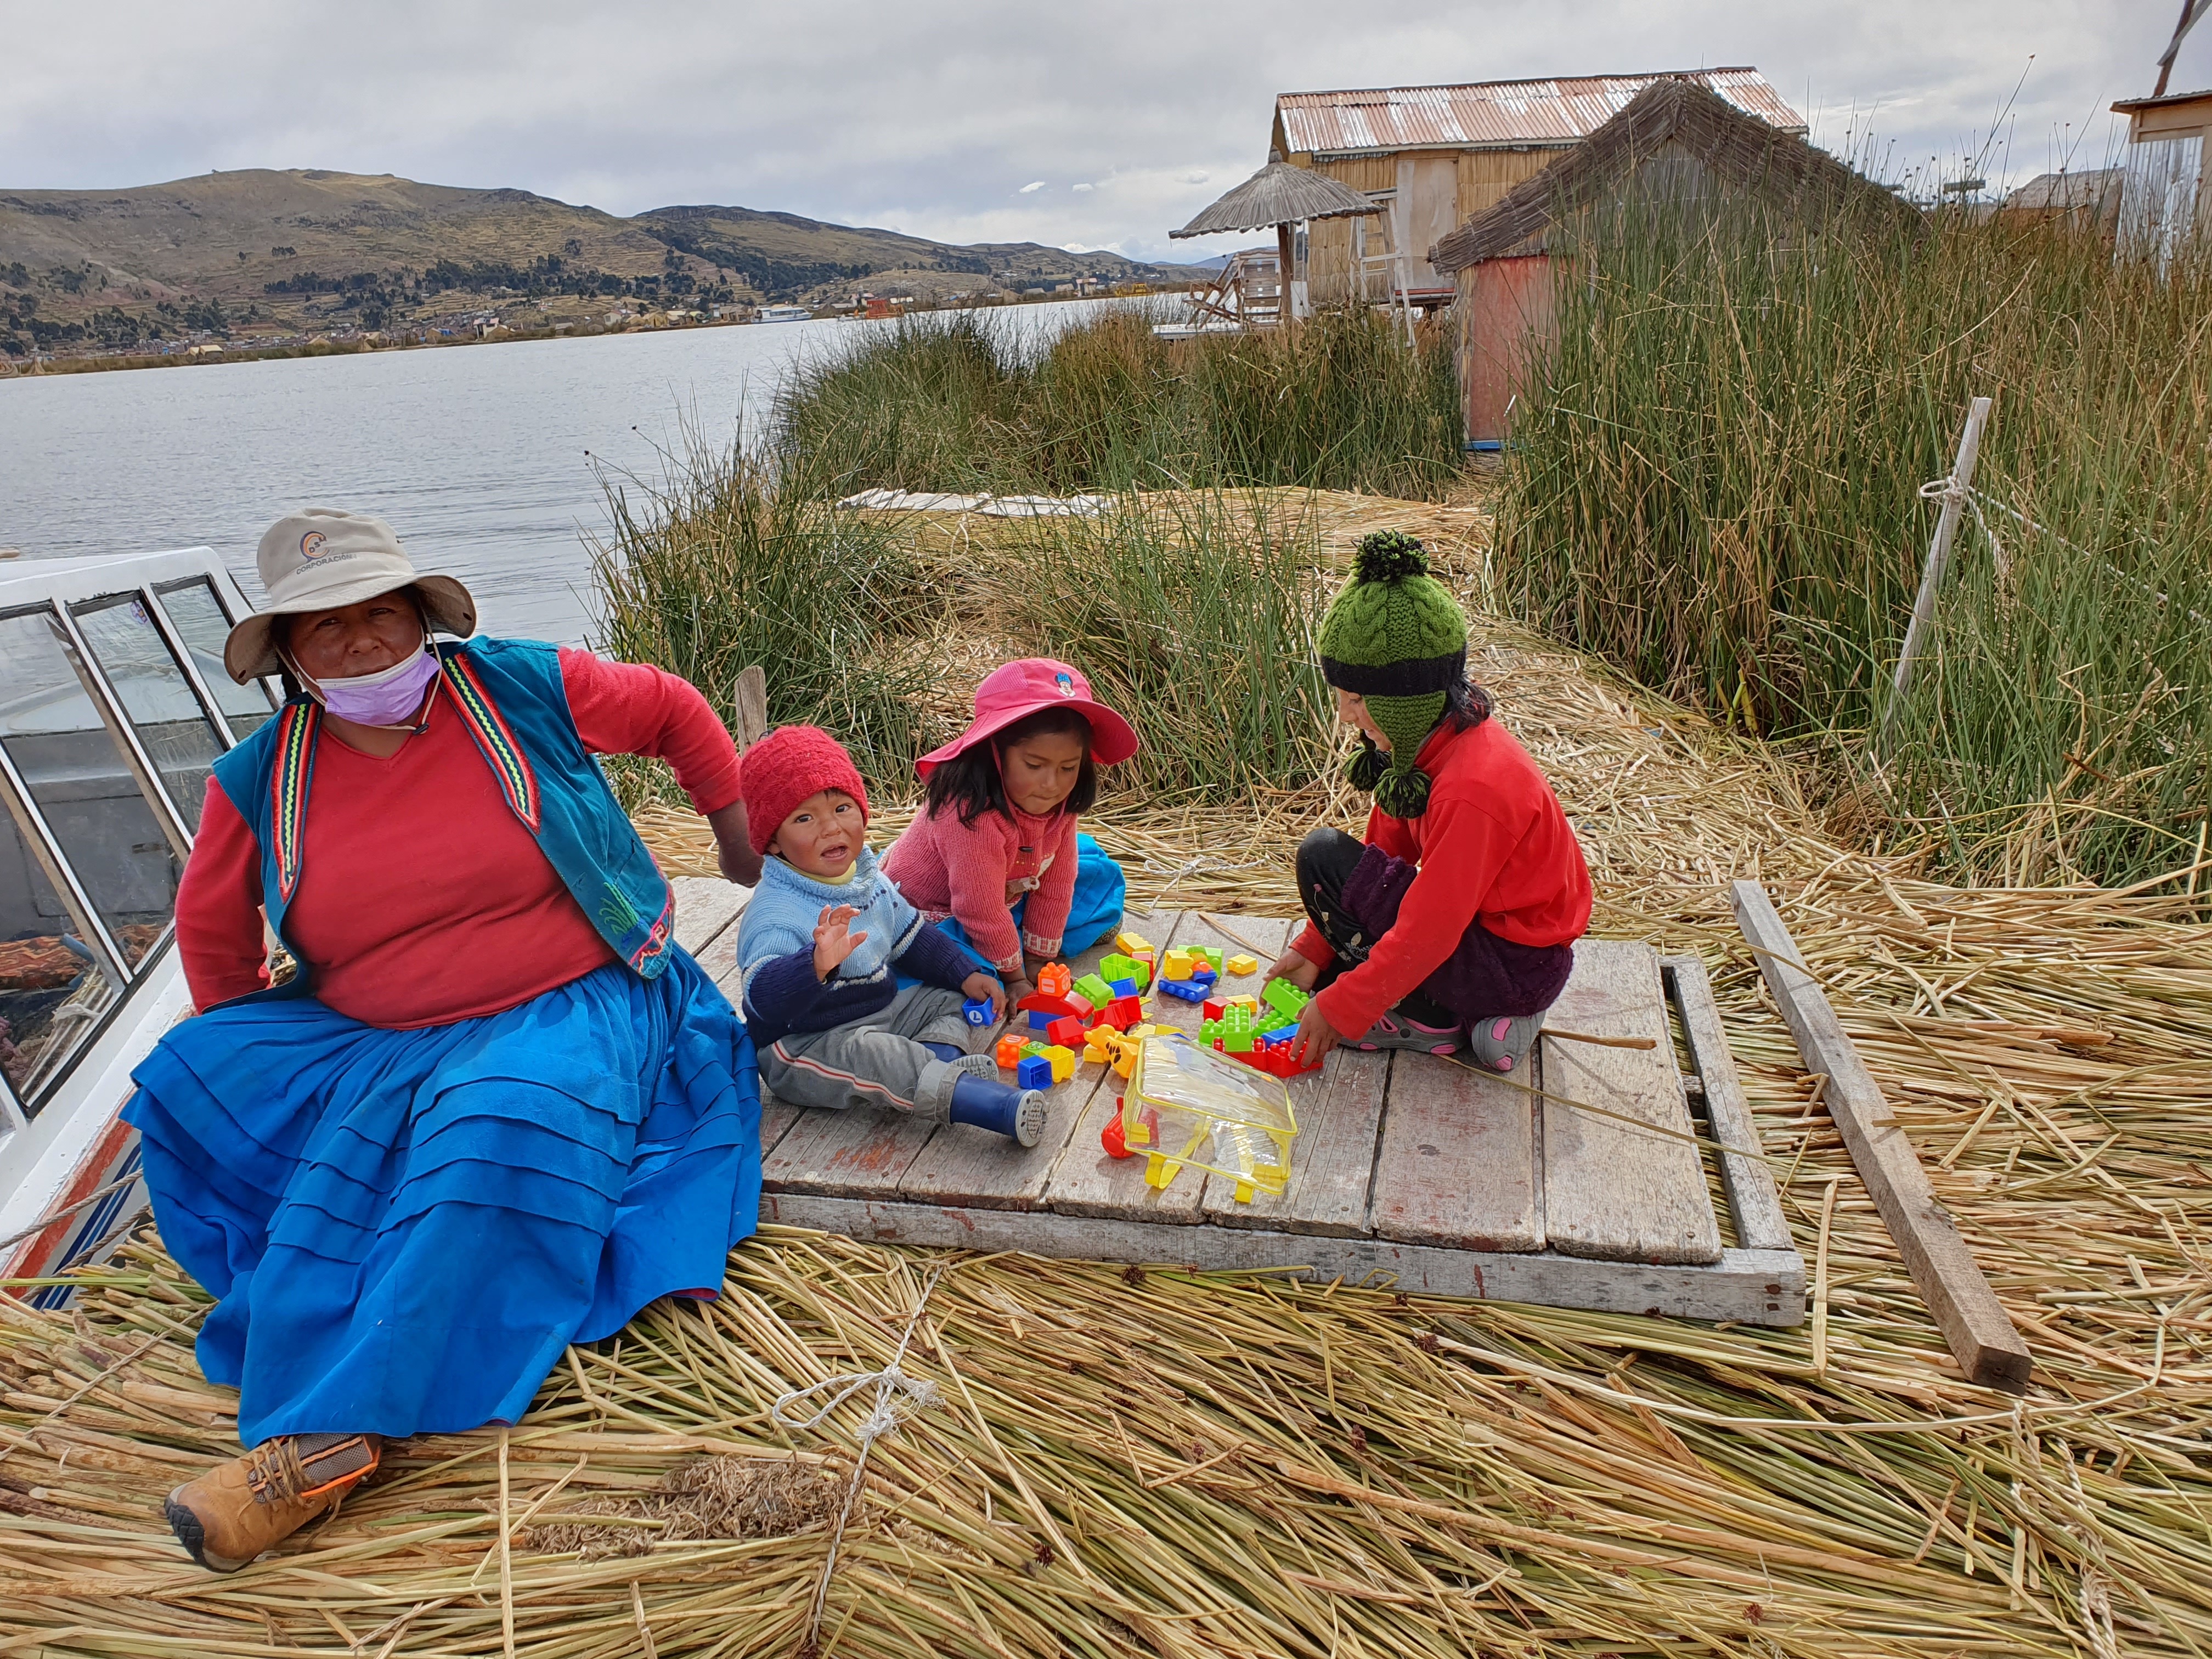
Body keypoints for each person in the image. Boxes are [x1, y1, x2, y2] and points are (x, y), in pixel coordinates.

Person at [131, 507, 764, 1573]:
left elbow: (675, 709)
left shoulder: (520, 687)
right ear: (288, 655)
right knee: (194, 1070)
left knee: (494, 1119)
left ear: (422, 616)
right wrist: (267, 1083)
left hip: (571, 1000)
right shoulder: (260, 779)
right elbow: (210, 931)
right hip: (380, 1039)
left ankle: (336, 1437)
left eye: (381, 612)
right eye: (325, 628)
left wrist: (740, 846)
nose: (362, 643)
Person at [1268, 532, 1592, 1075]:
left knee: (1342, 973)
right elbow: (1377, 866)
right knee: (1325, 860)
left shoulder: (1474, 788)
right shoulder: (1419, 747)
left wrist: (1345, 1007)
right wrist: (1315, 951)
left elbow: (1431, 930)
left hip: (1516, 964)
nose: (1347, 716)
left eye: (1355, 700)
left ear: (1403, 702)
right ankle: (1438, 1007)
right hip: (1477, 939)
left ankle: (1440, 1018)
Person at [732, 725, 1047, 1146]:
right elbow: (761, 1000)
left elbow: (912, 935)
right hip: (807, 1045)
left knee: (951, 998)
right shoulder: (777, 912)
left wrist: (965, 972)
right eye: (805, 818)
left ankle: (944, 1065)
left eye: (842, 809)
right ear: (772, 842)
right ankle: (991, 1105)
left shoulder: (867, 878)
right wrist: (814, 965)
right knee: (888, 1060)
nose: (831, 829)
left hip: (881, 1012)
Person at [881, 658, 1136, 1005]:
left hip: (1006, 890)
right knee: (965, 967)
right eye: (1034, 765)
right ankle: (1002, 956)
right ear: (995, 753)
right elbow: (979, 908)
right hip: (937, 909)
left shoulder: (1060, 802)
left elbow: (1058, 880)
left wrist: (1040, 959)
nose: (1051, 785)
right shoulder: (970, 814)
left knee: (1096, 869)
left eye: (1068, 767)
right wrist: (1015, 976)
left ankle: (1019, 942)